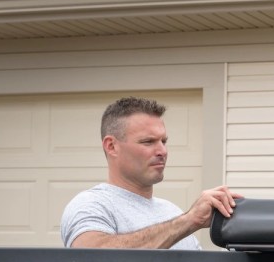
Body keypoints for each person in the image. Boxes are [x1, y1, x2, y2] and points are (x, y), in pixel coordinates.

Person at [60, 96, 242, 249]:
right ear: (111, 146)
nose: (162, 151)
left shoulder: (171, 211)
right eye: (148, 142)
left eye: (164, 141)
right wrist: (189, 221)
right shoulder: (91, 204)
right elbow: (91, 257)